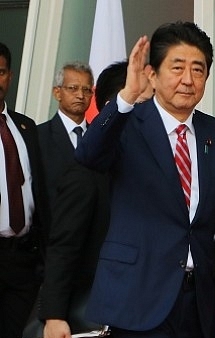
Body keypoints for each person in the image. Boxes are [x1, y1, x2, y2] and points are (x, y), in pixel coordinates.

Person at [75, 21, 215, 338]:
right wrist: (127, 96)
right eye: (177, 68)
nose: (188, 80)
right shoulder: (128, 123)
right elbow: (88, 155)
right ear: (152, 75)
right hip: (137, 299)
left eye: (198, 70)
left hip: (196, 300)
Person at [36, 60, 153, 338]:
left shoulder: (154, 167)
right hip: (96, 315)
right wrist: (53, 316)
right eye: (149, 100)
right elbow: (64, 247)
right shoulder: (86, 171)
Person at [0, 41, 48, 338]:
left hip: (22, 261)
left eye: (0, 72)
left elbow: (39, 189)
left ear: (9, 76)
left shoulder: (26, 127)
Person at [37, 61, 94, 204]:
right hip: (52, 223)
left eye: (86, 90)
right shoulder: (38, 136)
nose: (80, 95)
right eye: (73, 88)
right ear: (57, 93)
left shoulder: (98, 136)